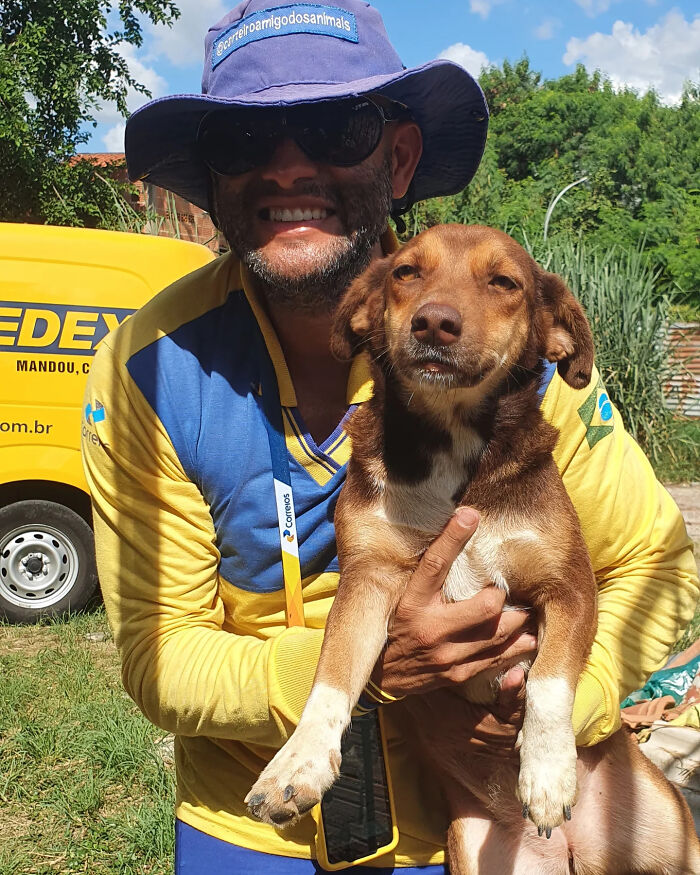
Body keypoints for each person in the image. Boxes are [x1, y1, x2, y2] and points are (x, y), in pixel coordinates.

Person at [81, 1, 699, 872]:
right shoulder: (150, 370)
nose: (288, 166)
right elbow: (158, 657)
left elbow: (660, 565)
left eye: (338, 126)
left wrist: (559, 713)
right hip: (260, 822)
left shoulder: (507, 351)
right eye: (244, 141)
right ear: (212, 176)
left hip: (482, 811)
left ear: (399, 156)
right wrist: (367, 671)